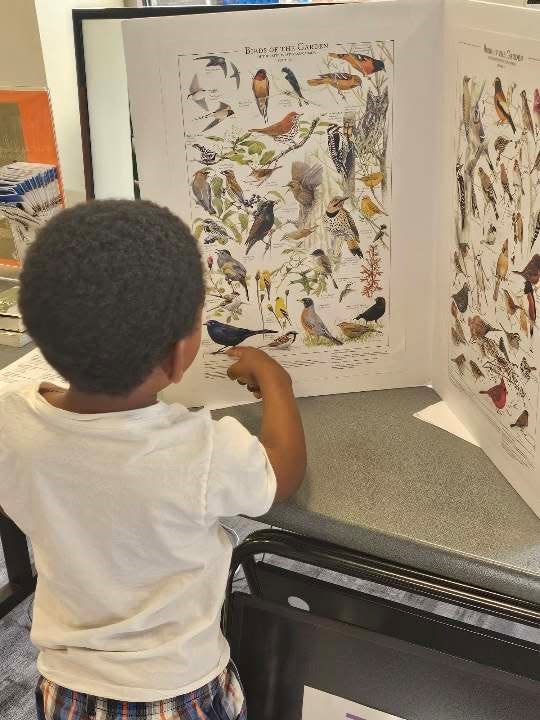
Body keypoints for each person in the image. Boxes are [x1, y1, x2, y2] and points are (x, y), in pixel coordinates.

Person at [0, 200, 306, 720]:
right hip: (176, 690)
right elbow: (281, 474)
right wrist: (278, 381)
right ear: (177, 355)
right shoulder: (201, 451)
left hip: (66, 687)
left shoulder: (10, 423)